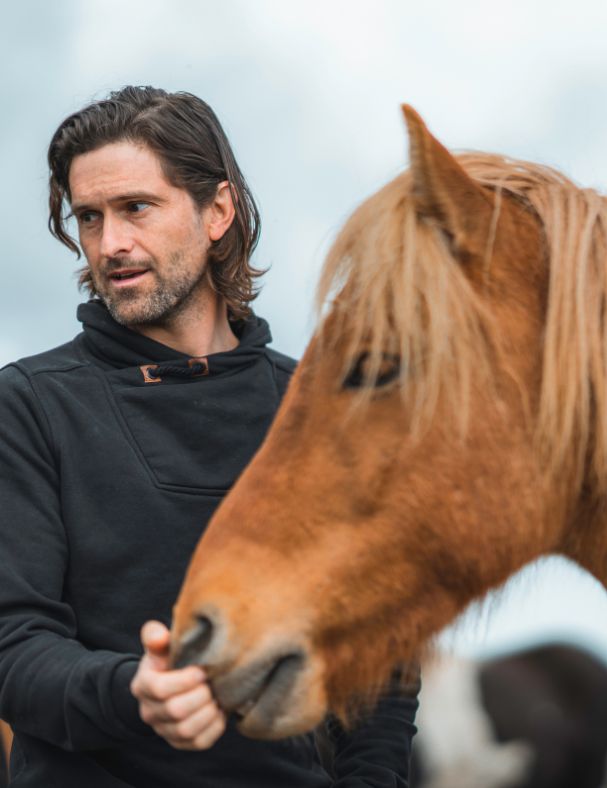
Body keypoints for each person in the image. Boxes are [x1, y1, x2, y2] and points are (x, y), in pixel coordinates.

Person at [0, 86, 418, 788]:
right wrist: (132, 694)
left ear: (217, 211)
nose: (110, 244)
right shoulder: (29, 405)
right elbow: (13, 646)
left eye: (136, 207)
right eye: (90, 217)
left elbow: (380, 659)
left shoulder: (317, 409)